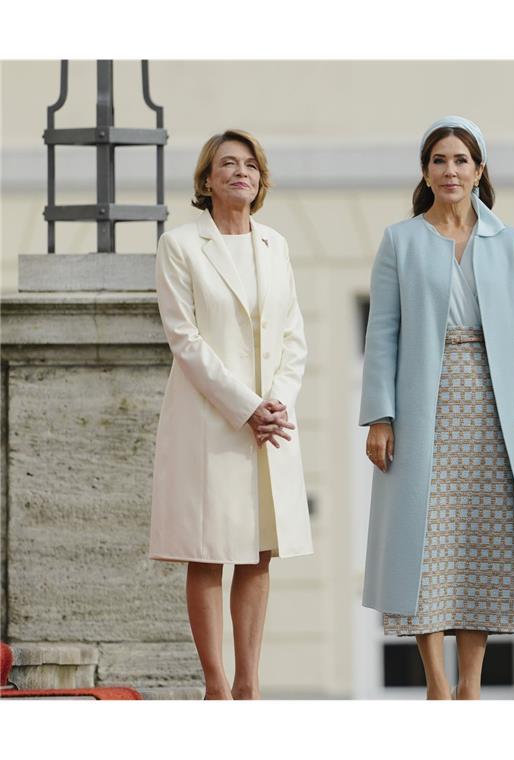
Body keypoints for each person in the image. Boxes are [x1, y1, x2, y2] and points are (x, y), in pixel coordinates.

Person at [359, 116, 514, 701]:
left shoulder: (506, 241)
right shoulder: (401, 239)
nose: (451, 170)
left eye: (461, 160)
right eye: (439, 160)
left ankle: (471, 688)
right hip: (422, 404)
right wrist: (380, 416)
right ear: (425, 172)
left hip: (491, 405)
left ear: (480, 170)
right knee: (425, 543)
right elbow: (382, 331)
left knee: (481, 541)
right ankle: (437, 685)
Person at [149, 129, 311, 700]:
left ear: (260, 179)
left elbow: (293, 336)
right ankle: (216, 685)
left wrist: (274, 405)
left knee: (258, 549)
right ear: (207, 180)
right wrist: (245, 407)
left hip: (270, 423)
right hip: (209, 422)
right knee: (209, 549)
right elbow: (185, 339)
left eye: (250, 165)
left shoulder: (276, 245)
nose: (240, 172)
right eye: (227, 165)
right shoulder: (181, 244)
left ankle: (250, 683)